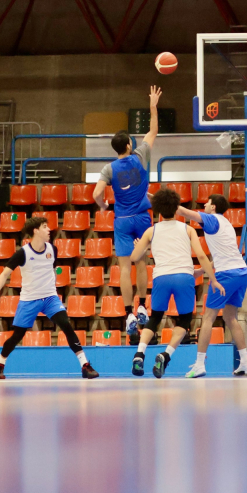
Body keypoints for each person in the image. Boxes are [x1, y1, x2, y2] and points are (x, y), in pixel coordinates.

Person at [0, 217, 99, 380]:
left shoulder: (52, 249)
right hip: (29, 299)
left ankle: (85, 365)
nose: (49, 230)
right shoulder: (23, 253)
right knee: (17, 335)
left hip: (50, 298)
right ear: (35, 231)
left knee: (66, 325)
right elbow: (4, 274)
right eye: (45, 227)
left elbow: (50, 270)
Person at [129, 188, 222, 378]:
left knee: (154, 318)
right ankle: (166, 354)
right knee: (185, 319)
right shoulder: (188, 229)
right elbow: (202, 256)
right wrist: (212, 278)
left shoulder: (151, 231)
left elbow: (134, 257)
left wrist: (139, 246)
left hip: (161, 277)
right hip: (184, 277)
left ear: (157, 209)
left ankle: (139, 353)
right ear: (176, 207)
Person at [94, 85, 161, 339]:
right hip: (143, 217)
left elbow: (96, 194)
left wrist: (103, 205)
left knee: (124, 267)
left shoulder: (109, 169)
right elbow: (153, 131)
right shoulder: (141, 155)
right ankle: (142, 305)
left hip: (121, 220)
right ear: (130, 144)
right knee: (142, 262)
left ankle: (127, 314)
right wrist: (153, 105)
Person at [174, 193, 247, 377]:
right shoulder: (227, 224)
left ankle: (200, 364)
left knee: (208, 317)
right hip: (241, 272)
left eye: (207, 203)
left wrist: (159, 199)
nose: (205, 206)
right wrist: (202, 271)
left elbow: (183, 212)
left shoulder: (211, 219)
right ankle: (246, 362)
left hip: (226, 274)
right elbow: (222, 254)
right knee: (230, 317)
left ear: (213, 207)